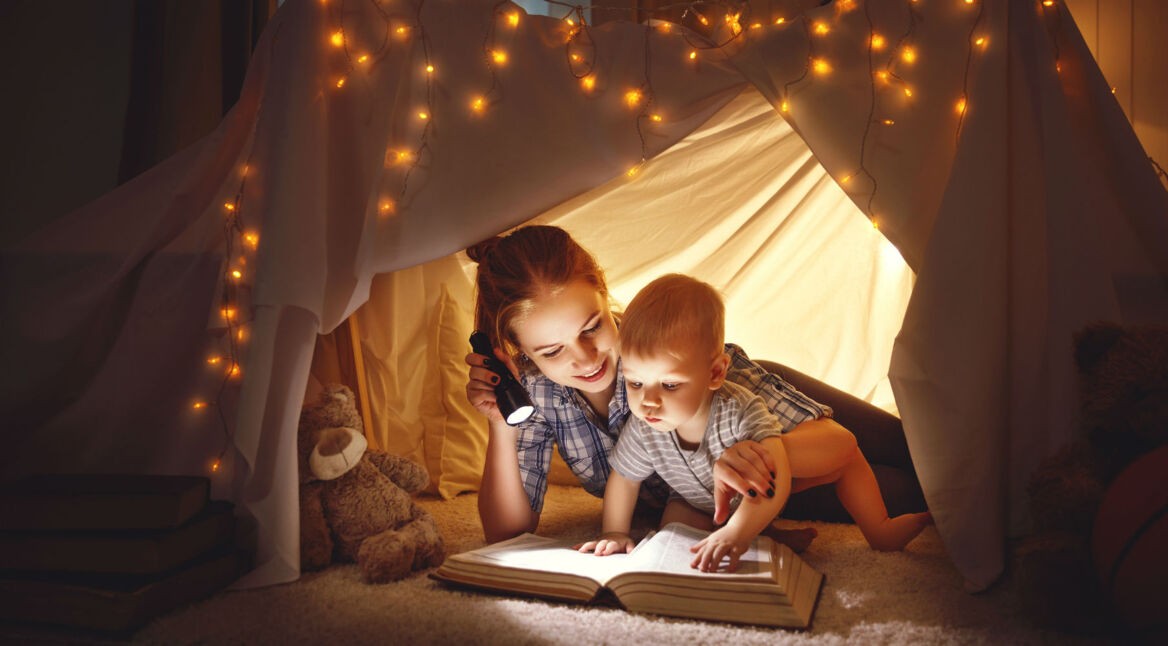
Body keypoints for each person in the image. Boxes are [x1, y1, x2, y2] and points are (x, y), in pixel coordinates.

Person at [464, 225, 924, 543]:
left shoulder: (668, 351)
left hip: (764, 417)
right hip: (744, 494)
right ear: (517, 351)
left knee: (926, 456)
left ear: (605, 296)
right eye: (551, 351)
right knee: (906, 494)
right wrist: (502, 424)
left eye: (592, 328)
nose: (584, 359)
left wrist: (737, 453)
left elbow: (833, 443)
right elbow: (507, 534)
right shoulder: (536, 395)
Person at [576, 274, 933, 571]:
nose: (648, 400)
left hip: (764, 486)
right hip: (698, 500)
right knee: (674, 532)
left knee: (845, 460)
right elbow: (623, 480)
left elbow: (772, 472)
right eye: (635, 382)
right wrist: (615, 531)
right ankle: (769, 539)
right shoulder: (642, 427)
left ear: (715, 373)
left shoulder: (736, 409)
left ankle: (880, 529)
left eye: (670, 385)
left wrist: (737, 533)